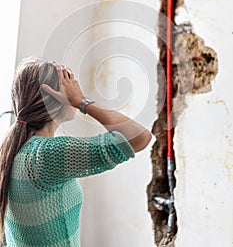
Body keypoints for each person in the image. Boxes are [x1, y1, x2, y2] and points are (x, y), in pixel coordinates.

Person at [0, 57, 152, 246]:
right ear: (55, 95)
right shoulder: (45, 155)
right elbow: (139, 137)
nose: (76, 87)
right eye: (69, 82)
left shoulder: (12, 150)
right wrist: (82, 102)